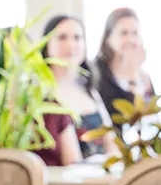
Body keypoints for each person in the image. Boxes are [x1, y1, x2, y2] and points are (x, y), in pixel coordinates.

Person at [37, 14, 108, 166]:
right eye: (62, 37)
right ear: (46, 44)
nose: (71, 44)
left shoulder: (89, 89)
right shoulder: (42, 94)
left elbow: (112, 141)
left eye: (77, 37)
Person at [93, 7, 155, 119]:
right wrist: (131, 77)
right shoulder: (97, 74)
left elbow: (152, 116)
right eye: (124, 33)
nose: (131, 40)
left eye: (135, 33)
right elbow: (128, 118)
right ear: (108, 38)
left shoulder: (143, 76)